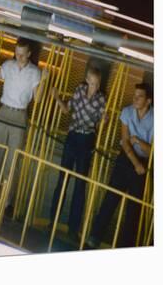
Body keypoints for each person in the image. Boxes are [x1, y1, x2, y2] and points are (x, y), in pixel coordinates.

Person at [0, 37, 47, 214]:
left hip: (20, 115)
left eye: (22, 55)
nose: (19, 57)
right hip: (4, 110)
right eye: (17, 54)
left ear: (29, 54)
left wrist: (43, 80)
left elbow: (37, 99)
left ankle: (6, 202)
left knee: (13, 160)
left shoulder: (35, 72)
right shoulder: (8, 65)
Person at [88, 83, 153, 249]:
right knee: (110, 198)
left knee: (134, 209)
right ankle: (94, 238)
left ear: (148, 101)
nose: (135, 98)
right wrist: (136, 162)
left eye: (140, 96)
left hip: (145, 163)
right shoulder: (127, 111)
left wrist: (138, 140)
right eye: (135, 94)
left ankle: (125, 248)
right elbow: (125, 141)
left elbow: (153, 150)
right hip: (127, 160)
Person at [49, 66, 106, 240]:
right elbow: (67, 110)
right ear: (87, 80)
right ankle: (53, 221)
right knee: (62, 179)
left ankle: (73, 229)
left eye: (97, 84)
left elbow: (99, 124)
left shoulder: (102, 99)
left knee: (80, 185)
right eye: (93, 83)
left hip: (87, 139)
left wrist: (104, 121)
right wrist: (57, 98)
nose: (95, 87)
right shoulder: (79, 90)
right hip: (72, 136)